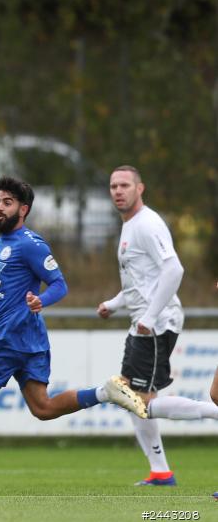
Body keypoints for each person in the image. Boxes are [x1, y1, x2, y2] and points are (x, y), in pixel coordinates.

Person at [0, 176, 147, 491]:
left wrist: (41, 301)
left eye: (6, 203)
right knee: (42, 408)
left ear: (23, 209)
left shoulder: (30, 245)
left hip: (10, 337)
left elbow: (59, 285)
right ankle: (105, 393)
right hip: (29, 339)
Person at [95, 166, 218, 487]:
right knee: (130, 396)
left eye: (125, 185)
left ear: (140, 189)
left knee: (139, 401)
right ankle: (160, 471)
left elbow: (174, 270)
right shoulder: (130, 226)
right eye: (113, 186)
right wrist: (114, 303)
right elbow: (141, 283)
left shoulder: (147, 224)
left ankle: (212, 415)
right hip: (143, 325)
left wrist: (150, 316)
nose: (118, 191)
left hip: (156, 325)